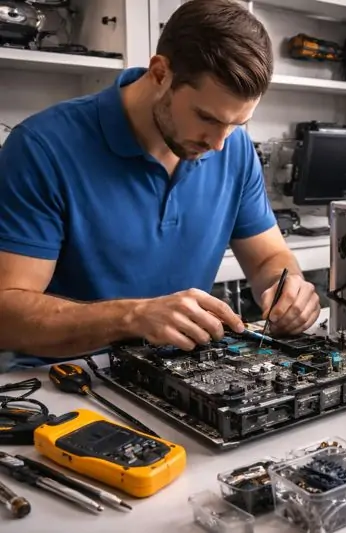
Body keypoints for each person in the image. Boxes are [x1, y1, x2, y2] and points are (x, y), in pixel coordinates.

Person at [0, 0, 320, 371]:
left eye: (236, 124)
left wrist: (287, 288)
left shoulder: (235, 149)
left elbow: (268, 258)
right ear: (159, 73)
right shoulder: (43, 147)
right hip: (67, 380)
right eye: (206, 117)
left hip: (181, 374)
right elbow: (6, 315)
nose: (219, 144)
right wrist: (131, 317)